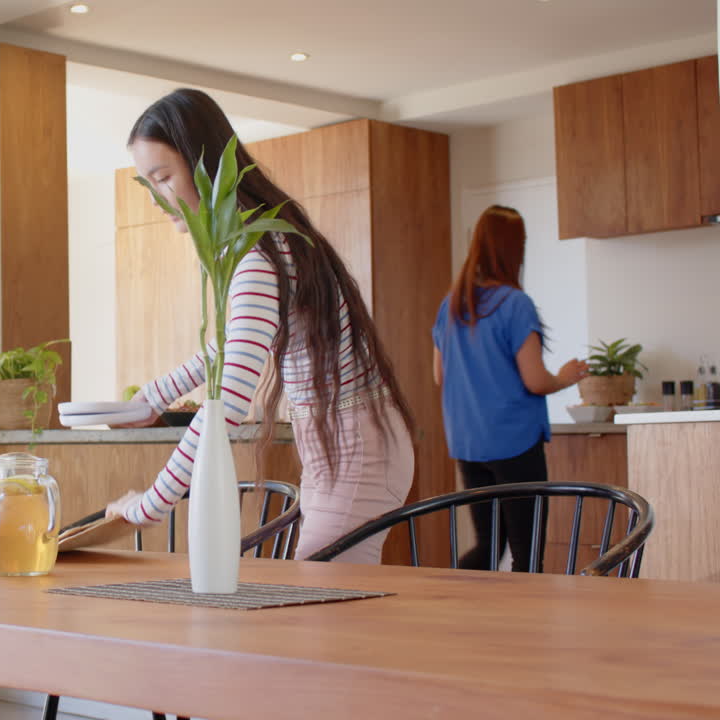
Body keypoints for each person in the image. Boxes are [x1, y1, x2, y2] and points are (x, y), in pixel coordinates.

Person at [106, 88, 415, 564]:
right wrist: (151, 398)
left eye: (163, 177)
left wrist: (151, 505)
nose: (156, 198)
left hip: (357, 453)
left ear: (204, 165)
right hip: (343, 446)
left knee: (319, 617)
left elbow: (226, 399)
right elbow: (230, 349)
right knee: (324, 618)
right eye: (147, 183)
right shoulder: (263, 237)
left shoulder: (258, 254)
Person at [432, 205, 587, 571]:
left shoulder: (452, 305)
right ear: (515, 249)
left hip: (469, 444)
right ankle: (526, 629)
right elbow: (535, 380)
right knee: (526, 553)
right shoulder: (516, 305)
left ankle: (450, 608)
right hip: (514, 442)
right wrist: (566, 376)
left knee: (488, 548)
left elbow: (440, 376)